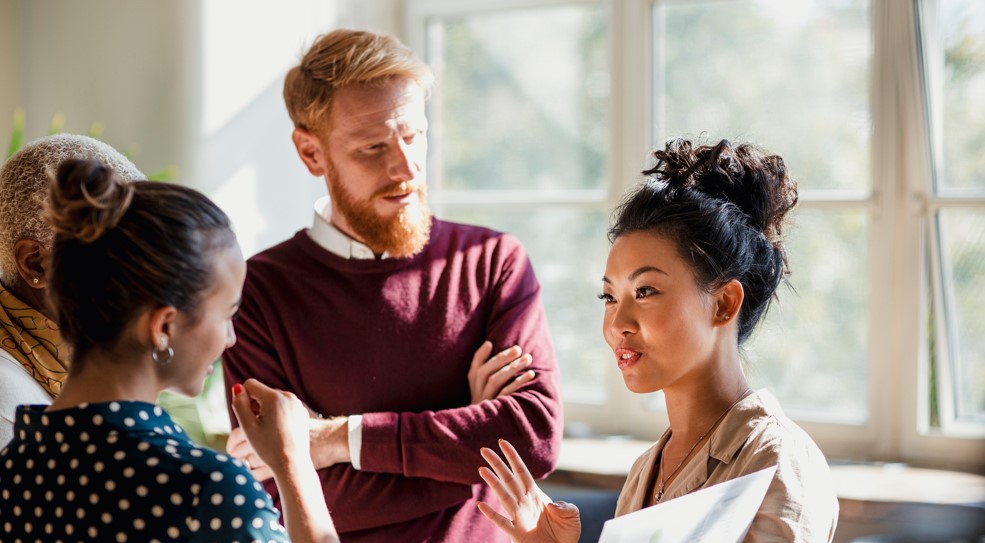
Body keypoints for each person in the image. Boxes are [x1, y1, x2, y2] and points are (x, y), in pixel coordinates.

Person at [221, 29, 563, 542]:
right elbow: (284, 495)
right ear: (311, 154)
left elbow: (531, 439)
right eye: (374, 147)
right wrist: (465, 442)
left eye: (414, 135)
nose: (405, 168)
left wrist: (336, 439)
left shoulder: (492, 262)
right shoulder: (257, 294)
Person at [478, 139, 841, 542]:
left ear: (723, 303)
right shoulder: (644, 473)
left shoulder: (778, 462)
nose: (618, 323)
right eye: (609, 297)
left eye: (646, 291)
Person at [0, 159, 340, 542]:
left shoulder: (13, 473)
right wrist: (294, 462)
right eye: (227, 314)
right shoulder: (206, 492)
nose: (230, 338)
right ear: (164, 327)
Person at [0, 134, 145, 444]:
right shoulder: (9, 406)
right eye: (120, 251)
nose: (142, 274)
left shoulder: (77, 364)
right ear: (36, 263)